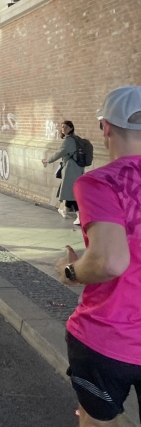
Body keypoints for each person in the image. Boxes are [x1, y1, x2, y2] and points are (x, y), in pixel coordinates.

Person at [54, 86, 141, 427]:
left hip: (108, 336)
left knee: (96, 420)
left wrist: (70, 271)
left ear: (106, 127)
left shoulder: (100, 183)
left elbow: (109, 261)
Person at [42, 121, 86, 226]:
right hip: (77, 169)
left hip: (71, 169)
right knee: (68, 190)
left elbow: (59, 153)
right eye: (62, 127)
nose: (63, 129)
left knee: (71, 192)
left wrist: (48, 160)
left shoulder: (68, 141)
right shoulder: (76, 139)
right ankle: (64, 210)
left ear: (71, 128)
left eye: (65, 127)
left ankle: (79, 216)